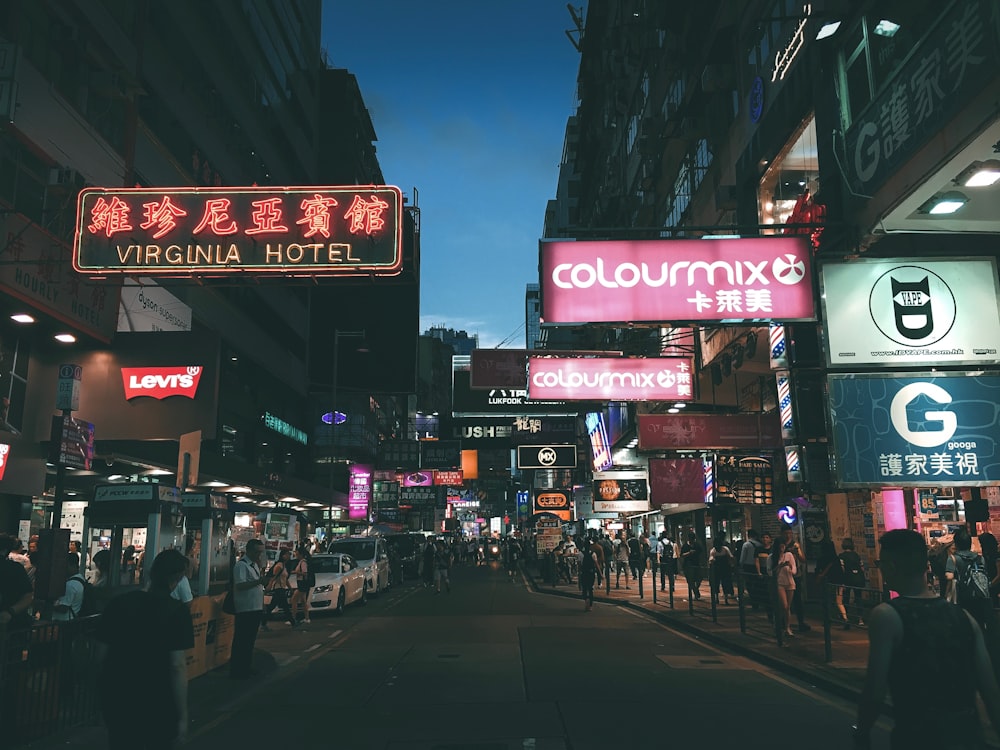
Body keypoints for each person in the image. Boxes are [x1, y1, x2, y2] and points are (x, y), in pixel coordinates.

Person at [853, 529, 1000, 750]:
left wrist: (861, 733)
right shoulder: (965, 618)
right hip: (968, 737)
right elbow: (990, 693)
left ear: (891, 566)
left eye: (879, 562)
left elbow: (875, 691)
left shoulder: (887, 616)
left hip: (918, 738)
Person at [96, 548, 194, 749]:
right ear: (178, 577)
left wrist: (102, 696)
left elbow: (100, 656)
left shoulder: (118, 603)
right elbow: (177, 666)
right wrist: (182, 716)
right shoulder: (177, 610)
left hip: (119, 697)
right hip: (158, 701)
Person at [230, 539, 266, 679]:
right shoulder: (241, 566)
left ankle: (246, 667)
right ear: (249, 550)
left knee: (249, 640)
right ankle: (238, 670)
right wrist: (258, 581)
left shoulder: (254, 566)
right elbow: (240, 585)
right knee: (241, 640)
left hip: (255, 607)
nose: (259, 555)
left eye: (260, 552)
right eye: (257, 552)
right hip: (245, 608)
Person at [947, 526, 992, 628]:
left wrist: (947, 596)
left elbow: (949, 577)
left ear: (956, 543)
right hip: (980, 596)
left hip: (962, 597)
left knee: (965, 625)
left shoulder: (953, 558)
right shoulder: (980, 558)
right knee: (980, 624)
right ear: (970, 543)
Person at [0, 532, 34, 629]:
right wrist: (10, 612)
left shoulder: (14, 568)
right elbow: (28, 596)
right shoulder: (15, 568)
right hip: (12, 624)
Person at [783, 527, 810, 632]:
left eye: (790, 533)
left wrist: (797, 552)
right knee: (784, 601)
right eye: (786, 533)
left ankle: (801, 622)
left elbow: (803, 560)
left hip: (795, 575)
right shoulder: (780, 545)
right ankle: (784, 623)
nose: (788, 535)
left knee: (798, 599)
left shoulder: (796, 545)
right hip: (784, 575)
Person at [816, 538, 848, 627]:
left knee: (827, 601)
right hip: (838, 582)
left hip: (828, 582)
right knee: (839, 602)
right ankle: (845, 619)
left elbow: (818, 570)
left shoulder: (822, 558)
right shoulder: (836, 558)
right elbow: (841, 571)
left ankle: (828, 619)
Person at [263, 549, 296, 628]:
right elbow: (274, 577)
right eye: (287, 554)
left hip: (281, 588)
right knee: (284, 607)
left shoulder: (283, 565)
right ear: (283, 555)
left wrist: (290, 588)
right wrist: (270, 585)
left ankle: (263, 622)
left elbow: (285, 579)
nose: (289, 556)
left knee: (274, 607)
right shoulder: (279, 565)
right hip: (278, 589)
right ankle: (293, 623)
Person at [770, 537, 796, 638]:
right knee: (784, 606)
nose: (782, 548)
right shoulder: (773, 557)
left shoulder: (789, 555)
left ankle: (787, 627)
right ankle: (780, 624)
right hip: (780, 583)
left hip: (790, 583)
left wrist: (789, 566)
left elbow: (794, 571)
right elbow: (772, 572)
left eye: (783, 546)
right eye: (780, 546)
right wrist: (780, 566)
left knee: (787, 607)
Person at [840, 538, 867, 627]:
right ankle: (860, 619)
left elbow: (842, 569)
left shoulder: (842, 556)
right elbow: (862, 568)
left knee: (846, 598)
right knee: (858, 598)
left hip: (847, 579)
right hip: (858, 579)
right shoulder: (856, 555)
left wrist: (842, 581)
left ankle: (846, 618)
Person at [52, 552, 85, 621]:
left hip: (64, 621)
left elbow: (63, 608)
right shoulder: (80, 579)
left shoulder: (70, 585)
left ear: (72, 565)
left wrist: (48, 606)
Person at [709, 535, 735, 605]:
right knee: (724, 583)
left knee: (718, 583)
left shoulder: (714, 550)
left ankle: (717, 598)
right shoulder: (724, 549)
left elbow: (711, 560)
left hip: (719, 568)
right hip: (724, 567)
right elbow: (731, 556)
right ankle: (724, 599)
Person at [290, 546, 313, 624]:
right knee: (303, 601)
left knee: (294, 600)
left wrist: (296, 572)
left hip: (302, 584)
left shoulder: (303, 562)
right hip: (302, 584)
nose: (296, 555)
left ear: (301, 554)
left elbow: (305, 573)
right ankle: (307, 618)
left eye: (297, 553)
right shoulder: (301, 562)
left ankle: (293, 618)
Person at [681, 531, 704, 600]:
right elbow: (682, 555)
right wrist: (689, 553)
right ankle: (695, 592)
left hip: (696, 563)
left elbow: (701, 553)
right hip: (688, 565)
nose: (692, 541)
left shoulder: (697, 545)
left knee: (699, 578)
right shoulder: (685, 546)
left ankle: (696, 589)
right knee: (690, 580)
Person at [579, 542, 599, 611]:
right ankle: (590, 605)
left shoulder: (581, 553)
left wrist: (579, 573)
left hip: (584, 573)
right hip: (591, 573)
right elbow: (596, 564)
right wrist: (601, 574)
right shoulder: (593, 554)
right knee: (590, 588)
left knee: (584, 587)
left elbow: (579, 565)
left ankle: (586, 600)